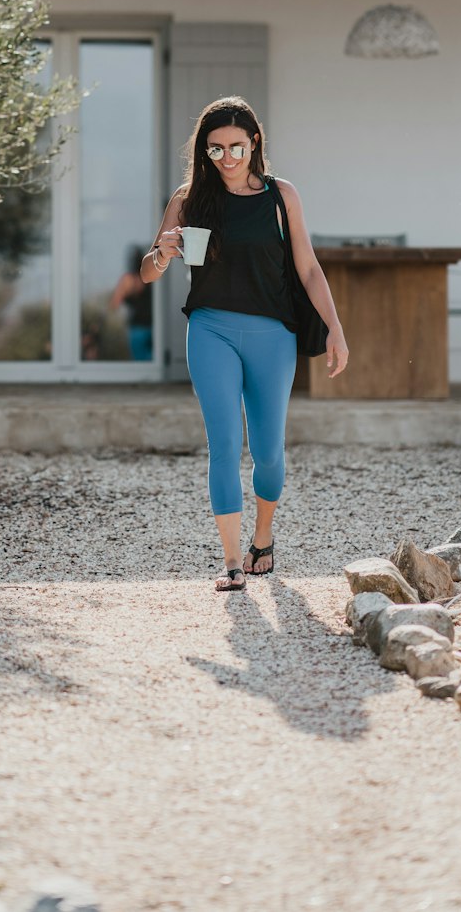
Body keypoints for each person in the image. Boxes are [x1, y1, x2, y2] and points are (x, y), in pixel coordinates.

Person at [140, 96, 349, 591]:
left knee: (270, 452)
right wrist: (163, 252)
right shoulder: (187, 200)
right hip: (209, 330)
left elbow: (308, 268)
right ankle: (233, 562)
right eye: (215, 150)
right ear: (203, 153)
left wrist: (335, 327)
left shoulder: (282, 197)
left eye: (236, 146)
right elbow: (148, 273)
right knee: (224, 446)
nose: (227, 158)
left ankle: (263, 538)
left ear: (254, 143)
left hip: (273, 336)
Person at [108, 246, 154, 361]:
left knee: (141, 364)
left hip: (138, 327)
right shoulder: (153, 276)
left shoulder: (128, 280)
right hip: (155, 326)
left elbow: (114, 304)